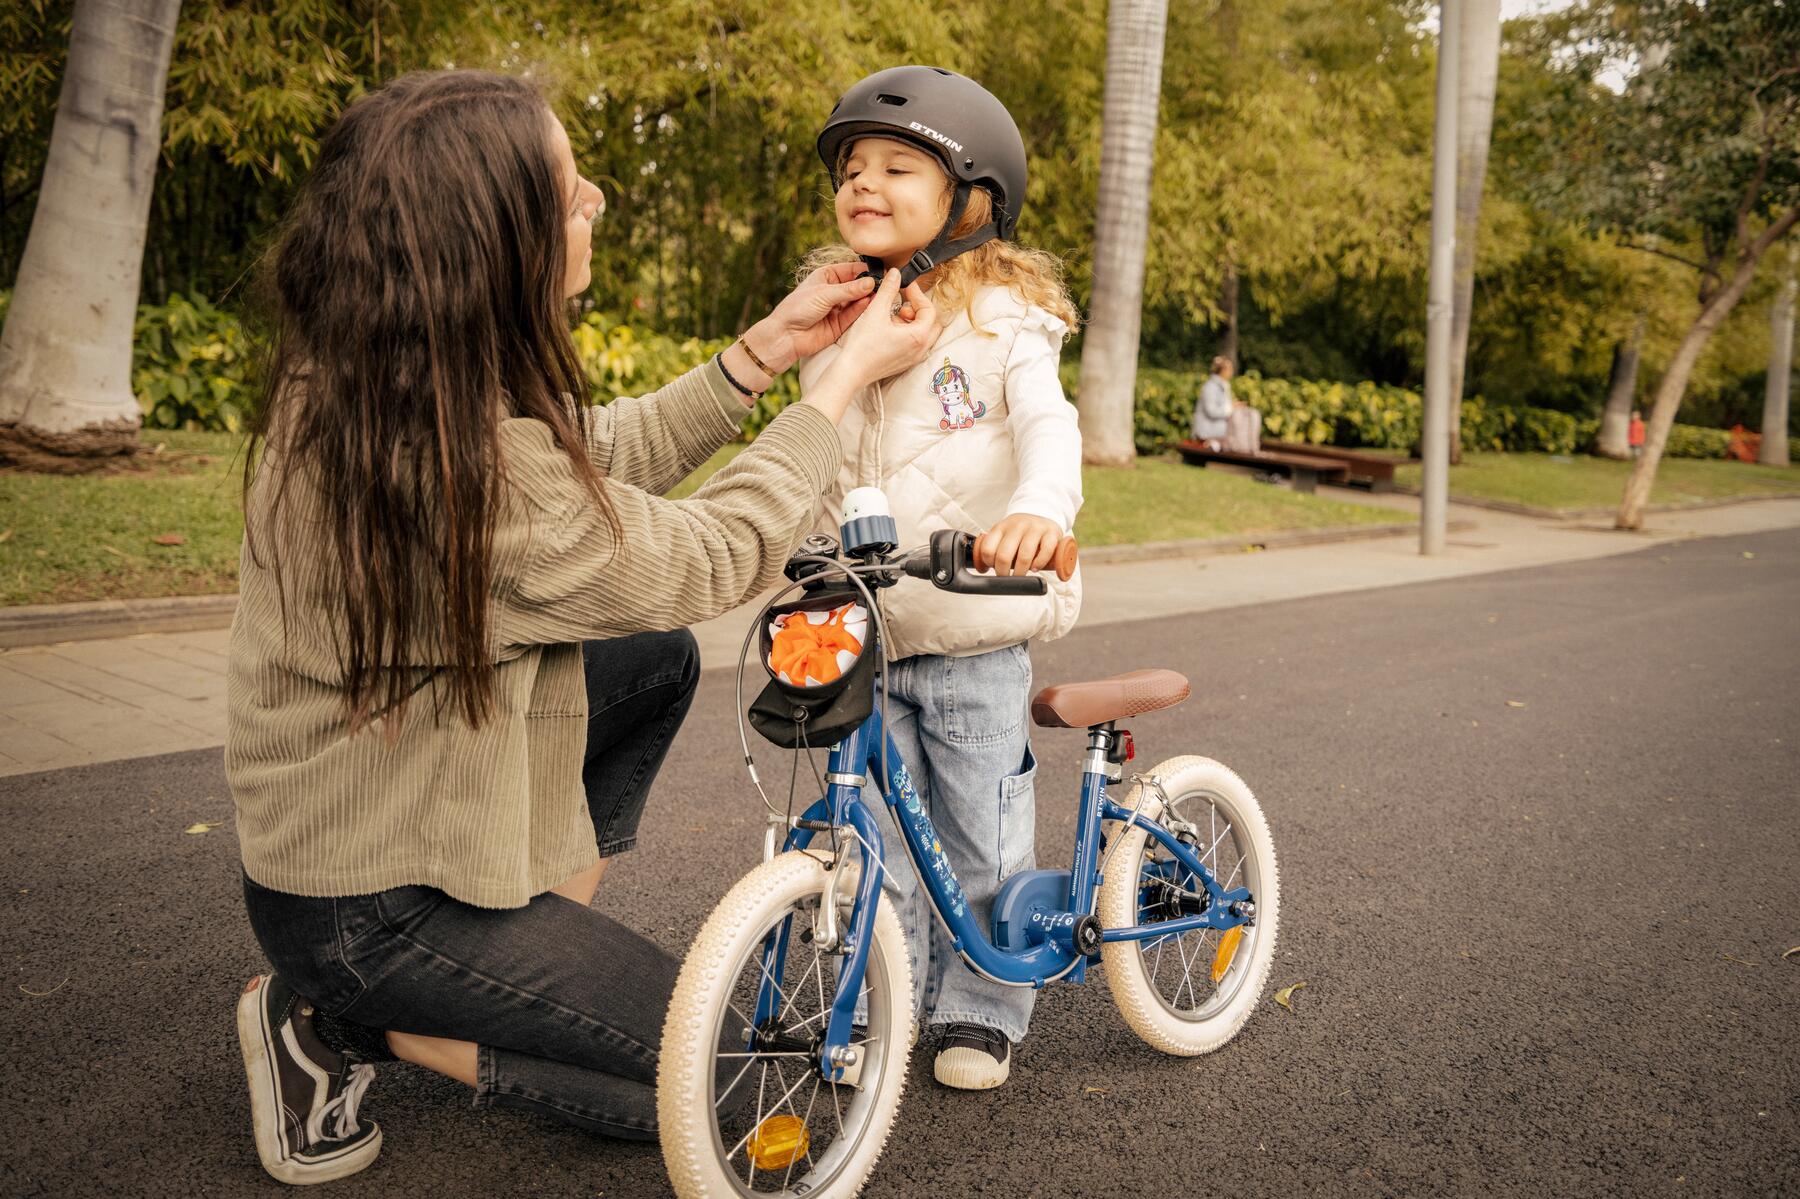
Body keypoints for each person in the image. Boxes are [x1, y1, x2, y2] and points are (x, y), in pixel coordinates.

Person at [227, 69, 937, 1185]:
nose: (597, 198)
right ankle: (338, 1021)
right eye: (569, 193)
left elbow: (587, 463)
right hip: (364, 905)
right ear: (492, 242)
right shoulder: (464, 480)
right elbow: (706, 555)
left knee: (648, 665)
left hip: (399, 797)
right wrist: (838, 385)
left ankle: (513, 952)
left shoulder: (373, 379)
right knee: (739, 1075)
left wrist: (763, 354)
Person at [795, 66, 1083, 1091]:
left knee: (978, 836)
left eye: (896, 167)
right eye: (852, 168)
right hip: (864, 631)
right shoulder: (836, 312)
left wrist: (1040, 510)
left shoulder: (1001, 315)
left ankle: (983, 1006)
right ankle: (894, 995)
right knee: (873, 838)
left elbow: (1049, 424)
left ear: (970, 198)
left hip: (968, 632)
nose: (863, 183)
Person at [1193, 355, 1235, 450]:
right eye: (1230, 369)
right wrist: (1230, 408)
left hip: (1218, 434)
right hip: (1206, 434)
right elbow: (1211, 411)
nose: (1232, 372)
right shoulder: (1210, 387)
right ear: (1222, 371)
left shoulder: (1224, 386)